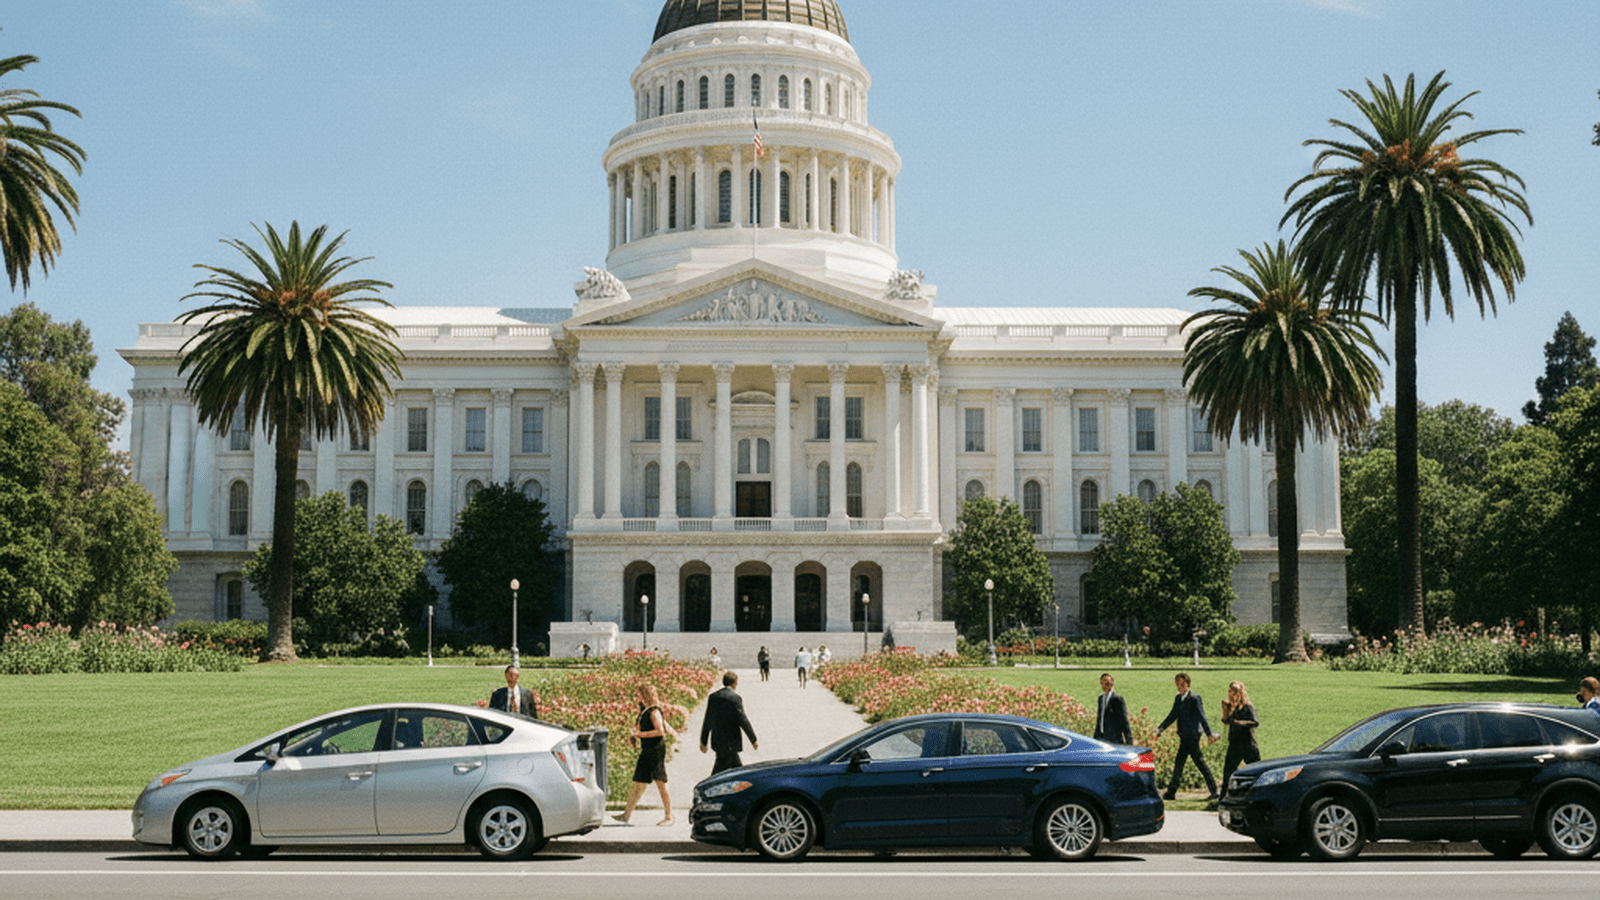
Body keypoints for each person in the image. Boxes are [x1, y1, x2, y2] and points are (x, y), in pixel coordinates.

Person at [614, 683, 676, 826]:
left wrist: (639, 734)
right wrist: (635, 735)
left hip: (655, 751)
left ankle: (669, 817)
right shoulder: (644, 711)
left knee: (661, 783)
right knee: (637, 782)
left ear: (644, 696)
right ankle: (626, 814)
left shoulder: (654, 712)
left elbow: (660, 731)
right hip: (646, 750)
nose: (637, 697)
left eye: (639, 694)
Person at [1155, 672, 1219, 801]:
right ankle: (1171, 793)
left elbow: (1202, 716)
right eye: (1177, 684)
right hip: (1184, 737)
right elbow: (1172, 715)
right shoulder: (1178, 699)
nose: (1179, 687)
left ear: (1188, 684)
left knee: (1197, 764)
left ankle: (1213, 792)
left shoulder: (1195, 698)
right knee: (1183, 764)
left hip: (1193, 736)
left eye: (1182, 684)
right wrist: (1160, 729)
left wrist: (1209, 734)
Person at [700, 671, 759, 774]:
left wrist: (703, 741)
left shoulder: (713, 697)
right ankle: (709, 787)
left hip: (718, 740)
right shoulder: (735, 698)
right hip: (731, 742)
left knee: (731, 768)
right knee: (730, 771)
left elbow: (708, 720)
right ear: (735, 683)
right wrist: (753, 739)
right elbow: (743, 720)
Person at [1219, 680, 1260, 798]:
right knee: (1228, 772)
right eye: (1230, 691)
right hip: (1235, 745)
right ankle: (1223, 798)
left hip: (1248, 745)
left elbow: (1255, 722)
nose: (1231, 694)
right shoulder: (1233, 707)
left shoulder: (1247, 706)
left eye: (1234, 691)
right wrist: (1225, 713)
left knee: (1256, 772)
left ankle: (1259, 796)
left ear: (1241, 693)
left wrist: (1237, 722)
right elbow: (1228, 722)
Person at [1092, 672, 1133, 745]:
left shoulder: (1118, 699)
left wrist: (1129, 741)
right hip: (1101, 738)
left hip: (1114, 740)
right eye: (1103, 683)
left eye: (1107, 683)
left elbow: (1124, 721)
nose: (1105, 685)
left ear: (1112, 683)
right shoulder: (1101, 699)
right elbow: (1099, 719)